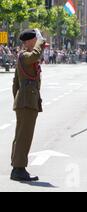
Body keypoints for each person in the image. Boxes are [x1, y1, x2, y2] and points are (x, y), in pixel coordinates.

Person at [10, 29, 46, 182]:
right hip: (26, 101)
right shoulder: (25, 56)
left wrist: (18, 99)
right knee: (24, 136)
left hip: (25, 100)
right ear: (30, 41)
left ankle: (18, 167)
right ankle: (18, 169)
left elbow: (15, 84)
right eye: (35, 41)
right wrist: (40, 41)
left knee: (22, 135)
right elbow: (36, 54)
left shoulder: (25, 58)